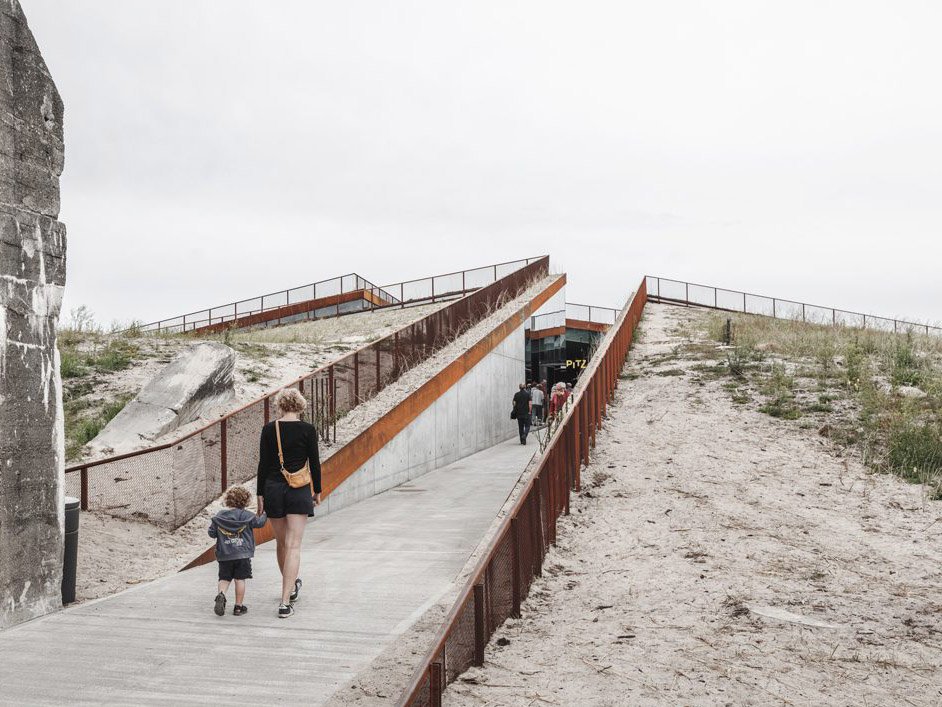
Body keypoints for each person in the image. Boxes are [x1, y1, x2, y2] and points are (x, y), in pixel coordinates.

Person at [257, 388, 322, 618]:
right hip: (298, 490)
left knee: (281, 543)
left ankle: (291, 585)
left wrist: (259, 495)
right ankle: (285, 602)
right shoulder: (307, 429)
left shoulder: (269, 429)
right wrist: (318, 491)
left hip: (273, 489)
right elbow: (314, 463)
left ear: (280, 405)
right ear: (300, 406)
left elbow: (263, 465)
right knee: (294, 545)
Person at [209, 485, 268, 617]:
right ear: (246, 501)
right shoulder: (248, 516)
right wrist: (265, 513)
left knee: (224, 578)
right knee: (240, 579)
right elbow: (260, 523)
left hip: (224, 555)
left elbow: (212, 533)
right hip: (242, 554)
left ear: (228, 500)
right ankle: (238, 607)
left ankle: (221, 595)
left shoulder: (220, 516)